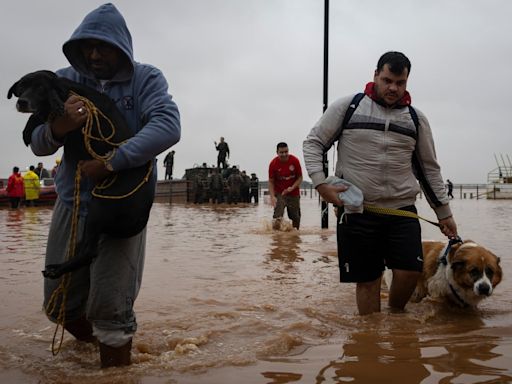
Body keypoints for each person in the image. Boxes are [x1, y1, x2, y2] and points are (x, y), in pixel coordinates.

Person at [28, 3, 181, 367]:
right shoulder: (63, 81)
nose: (94, 54)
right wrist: (60, 127)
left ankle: (115, 359)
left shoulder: (146, 79)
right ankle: (92, 350)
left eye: (103, 47)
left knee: (111, 308)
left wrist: (111, 160)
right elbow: (36, 140)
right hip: (72, 203)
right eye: (87, 47)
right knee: (58, 304)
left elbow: (168, 126)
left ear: (121, 47)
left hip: (121, 206)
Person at [303, 51, 457, 315]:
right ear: (375, 75)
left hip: (402, 210)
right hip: (358, 211)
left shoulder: (416, 120)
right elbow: (313, 143)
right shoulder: (348, 107)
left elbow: (429, 170)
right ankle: (370, 338)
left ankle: (396, 317)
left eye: (400, 82)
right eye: (387, 80)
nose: (393, 88)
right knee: (368, 280)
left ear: (407, 81)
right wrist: (320, 184)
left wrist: (444, 214)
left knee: (410, 271)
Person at [268, 142, 303, 229]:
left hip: (293, 192)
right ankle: (276, 238)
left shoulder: (295, 161)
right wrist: (272, 196)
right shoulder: (273, 164)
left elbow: (300, 178)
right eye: (281, 152)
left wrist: (292, 187)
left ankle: (295, 236)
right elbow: (271, 181)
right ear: (277, 152)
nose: (284, 154)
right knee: (277, 216)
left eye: (286, 152)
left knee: (295, 217)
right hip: (280, 193)